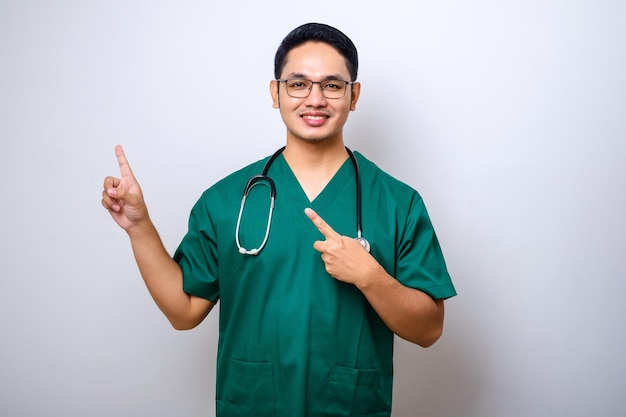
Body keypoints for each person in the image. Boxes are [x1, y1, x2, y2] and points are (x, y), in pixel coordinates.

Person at [102, 22, 456, 417]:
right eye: (298, 84)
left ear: (354, 95)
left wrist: (369, 276)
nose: (315, 99)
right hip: (255, 405)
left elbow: (428, 330)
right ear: (276, 92)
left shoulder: (397, 203)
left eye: (333, 85)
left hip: (348, 407)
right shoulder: (226, 200)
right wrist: (139, 226)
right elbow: (183, 311)